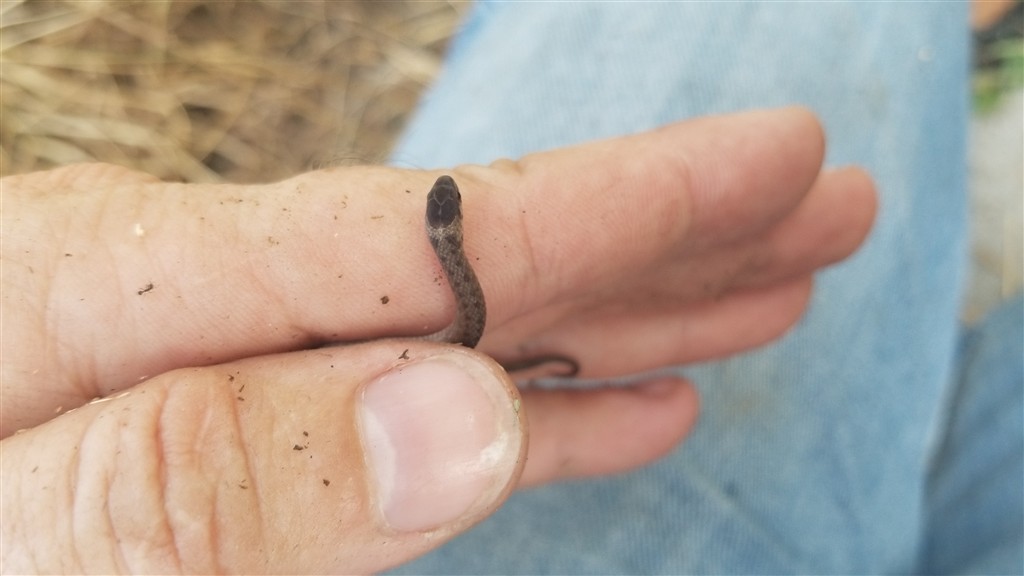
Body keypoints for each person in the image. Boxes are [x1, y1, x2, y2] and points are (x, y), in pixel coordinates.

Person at [1, 4, 1019, 575]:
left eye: (440, 224)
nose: (442, 221)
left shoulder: (455, 262)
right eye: (444, 222)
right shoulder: (447, 268)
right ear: (445, 232)